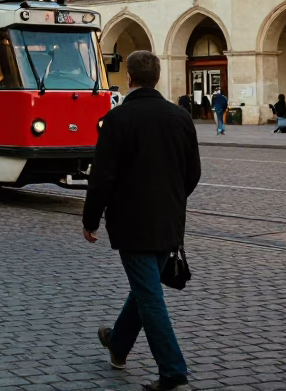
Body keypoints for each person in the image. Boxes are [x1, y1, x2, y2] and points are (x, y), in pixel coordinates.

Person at [83, 51, 199, 391]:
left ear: (129, 78)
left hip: (131, 223)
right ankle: (118, 344)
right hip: (169, 222)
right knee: (144, 288)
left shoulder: (117, 119)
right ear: (158, 77)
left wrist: (91, 219)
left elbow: (102, 176)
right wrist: (172, 201)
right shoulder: (181, 117)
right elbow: (192, 173)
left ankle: (173, 370)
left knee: (149, 295)